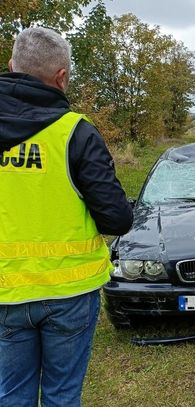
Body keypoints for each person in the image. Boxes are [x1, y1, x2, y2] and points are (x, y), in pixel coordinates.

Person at [0, 27, 133, 407]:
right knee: (61, 396)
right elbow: (117, 220)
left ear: (12, 66)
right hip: (69, 294)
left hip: (5, 291)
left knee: (11, 394)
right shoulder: (76, 133)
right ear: (61, 77)